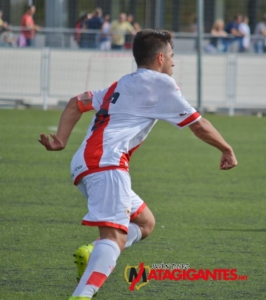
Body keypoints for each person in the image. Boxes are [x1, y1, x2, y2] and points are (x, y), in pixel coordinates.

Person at [38, 29, 238, 300]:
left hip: (86, 164)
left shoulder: (121, 84)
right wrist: (226, 149)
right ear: (159, 58)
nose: (173, 62)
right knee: (115, 237)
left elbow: (78, 103)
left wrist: (62, 139)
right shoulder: (161, 83)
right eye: (171, 56)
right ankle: (82, 295)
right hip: (108, 163)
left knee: (145, 223)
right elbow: (199, 125)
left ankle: (93, 251)